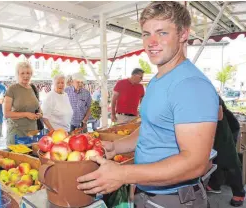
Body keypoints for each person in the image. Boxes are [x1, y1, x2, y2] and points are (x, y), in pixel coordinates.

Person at [77, 2, 219, 207]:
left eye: (162, 33)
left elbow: (195, 164)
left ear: (183, 34)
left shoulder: (190, 85)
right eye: (146, 34)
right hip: (148, 193)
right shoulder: (158, 80)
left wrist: (123, 174)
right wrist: (115, 147)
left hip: (174, 200)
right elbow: (150, 128)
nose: (151, 42)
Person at [207, 96, 245, 207]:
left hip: (226, 126)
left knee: (229, 158)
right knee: (216, 156)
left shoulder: (208, 92)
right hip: (215, 126)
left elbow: (219, 116)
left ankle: (239, 192)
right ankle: (215, 184)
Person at [4, 62, 42, 144]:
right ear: (17, 74)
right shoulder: (12, 89)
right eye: (22, 73)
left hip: (32, 132)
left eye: (28, 73)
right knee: (17, 156)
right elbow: (7, 113)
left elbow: (39, 109)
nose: (26, 75)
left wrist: (40, 114)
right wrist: (26, 114)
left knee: (30, 155)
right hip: (17, 132)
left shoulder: (33, 88)